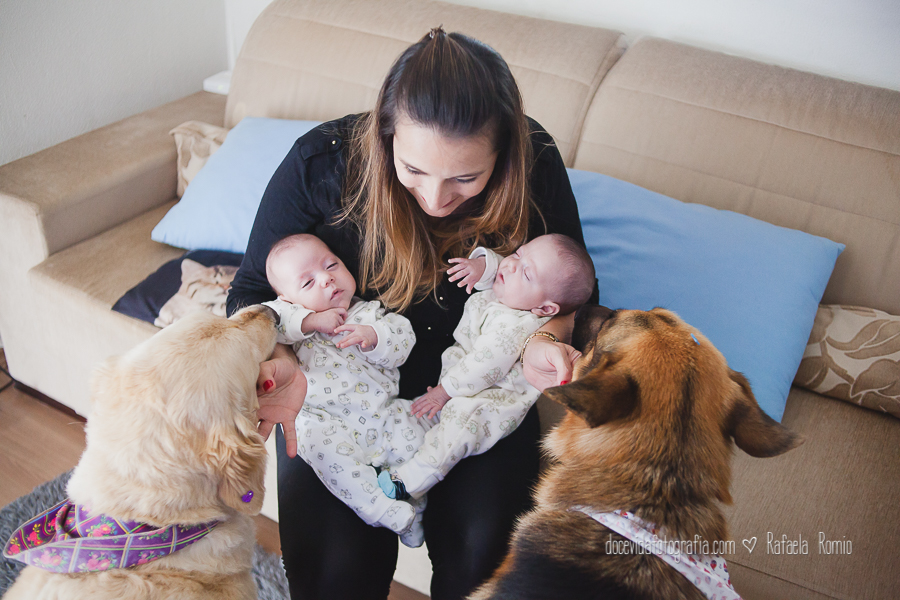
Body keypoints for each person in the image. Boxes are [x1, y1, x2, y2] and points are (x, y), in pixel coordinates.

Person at [227, 27, 594, 600]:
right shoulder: (321, 163)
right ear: (386, 136)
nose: (436, 199)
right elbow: (249, 290)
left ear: (504, 153)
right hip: (340, 394)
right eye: (414, 170)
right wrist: (280, 366)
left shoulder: (535, 161)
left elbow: (571, 293)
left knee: (486, 558)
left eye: (466, 177)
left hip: (471, 387)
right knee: (332, 571)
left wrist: (541, 343)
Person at [378, 234, 595, 501]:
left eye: (526, 273)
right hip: (465, 383)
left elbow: (481, 366)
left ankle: (411, 482)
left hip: (486, 402)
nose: (512, 265)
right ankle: (403, 472)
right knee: (425, 422)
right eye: (519, 253)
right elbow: (501, 267)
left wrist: (444, 392)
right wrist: (482, 265)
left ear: (544, 308)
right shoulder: (515, 293)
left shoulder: (514, 328)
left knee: (453, 434)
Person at [262, 233, 428, 547]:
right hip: (327, 422)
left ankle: (414, 507)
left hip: (383, 416)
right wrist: (309, 321)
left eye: (332, 265)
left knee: (418, 438)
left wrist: (374, 337)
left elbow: (403, 340)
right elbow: (267, 317)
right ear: (289, 300)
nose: (327, 279)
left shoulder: (370, 314)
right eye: (308, 283)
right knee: (316, 446)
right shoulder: (294, 326)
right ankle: (379, 509)